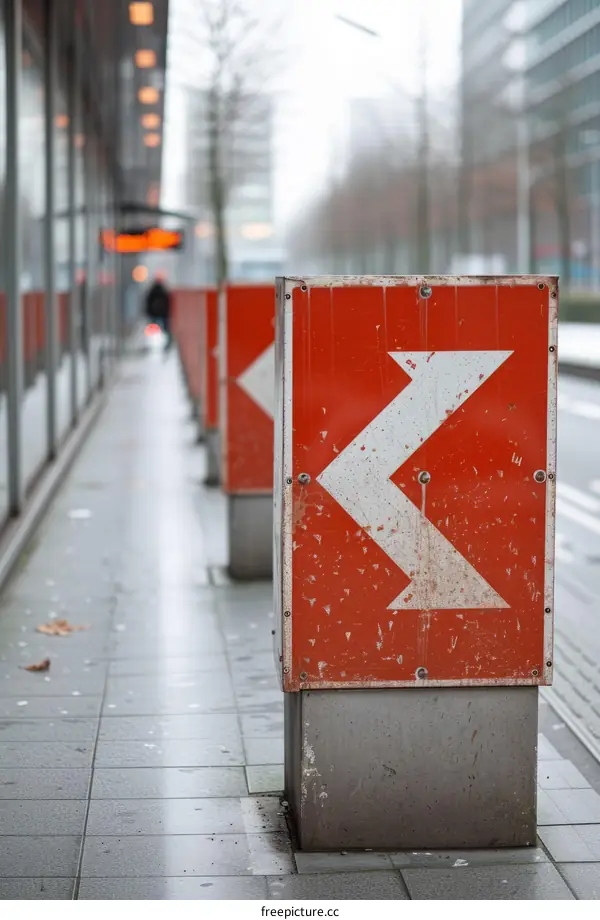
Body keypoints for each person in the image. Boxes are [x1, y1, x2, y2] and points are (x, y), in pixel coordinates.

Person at [145, 274, 172, 350]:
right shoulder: (164, 292)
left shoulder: (151, 292)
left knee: (152, 332)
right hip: (163, 315)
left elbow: (148, 303)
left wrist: (148, 313)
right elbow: (168, 303)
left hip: (153, 314)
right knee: (165, 331)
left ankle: (152, 345)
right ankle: (166, 345)